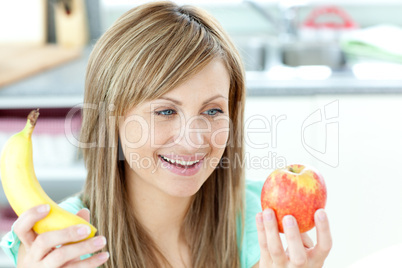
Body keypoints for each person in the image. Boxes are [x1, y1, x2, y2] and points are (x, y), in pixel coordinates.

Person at [0, 1, 332, 267]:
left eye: (213, 111)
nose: (193, 139)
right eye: (165, 111)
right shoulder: (49, 250)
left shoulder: (263, 224)